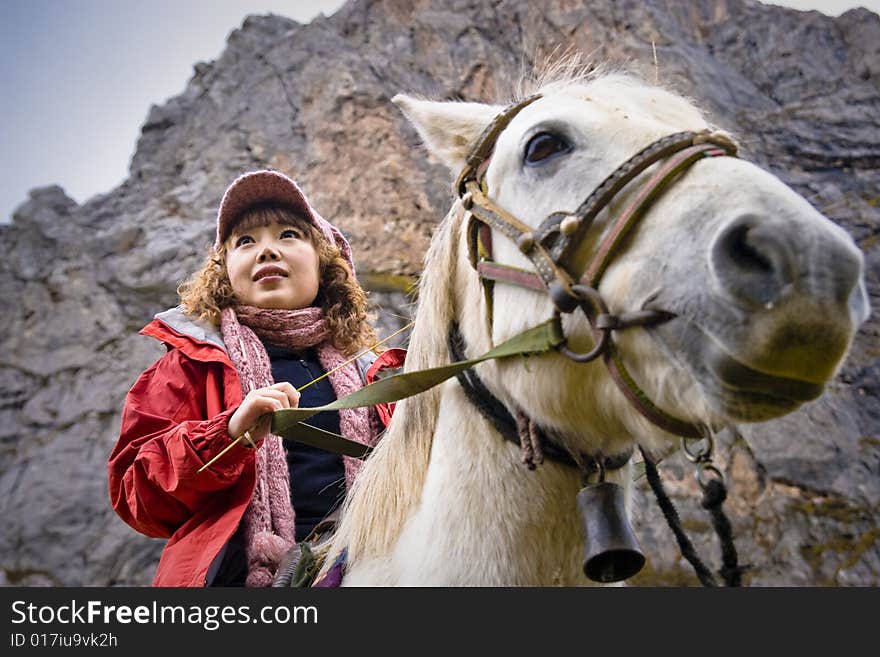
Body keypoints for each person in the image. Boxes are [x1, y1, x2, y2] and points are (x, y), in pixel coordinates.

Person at [108, 170, 404, 587]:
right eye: (245, 241)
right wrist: (227, 435)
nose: (266, 250)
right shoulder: (189, 364)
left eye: (288, 235)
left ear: (324, 262)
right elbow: (136, 497)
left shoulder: (375, 372)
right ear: (225, 270)